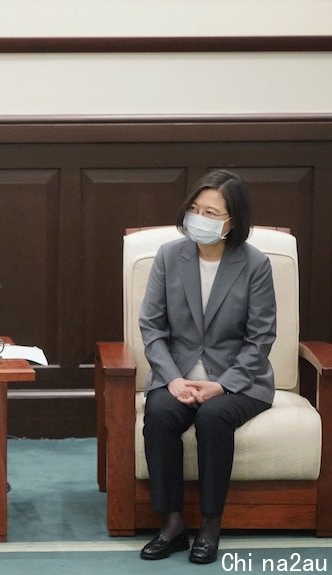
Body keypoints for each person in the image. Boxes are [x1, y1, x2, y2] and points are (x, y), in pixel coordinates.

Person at [138, 169, 275, 565]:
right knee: (161, 412)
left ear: (233, 222)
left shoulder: (254, 264)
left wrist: (224, 384)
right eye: (196, 209)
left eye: (212, 213)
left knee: (214, 417)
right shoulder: (168, 256)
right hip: (177, 374)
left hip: (239, 380)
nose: (200, 218)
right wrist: (173, 378)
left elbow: (261, 338)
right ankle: (173, 525)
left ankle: (211, 526)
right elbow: (152, 326)